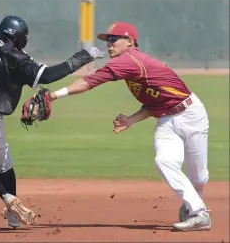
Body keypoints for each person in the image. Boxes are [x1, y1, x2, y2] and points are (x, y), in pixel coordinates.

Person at [0, 10, 104, 228]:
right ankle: (13, 216)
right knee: (3, 166)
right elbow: (48, 76)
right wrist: (83, 57)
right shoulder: (19, 58)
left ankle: (7, 198)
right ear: (19, 37)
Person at [42, 22, 211, 231]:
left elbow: (91, 81)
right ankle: (198, 212)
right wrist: (131, 119)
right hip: (166, 120)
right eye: (107, 41)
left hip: (191, 115)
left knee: (200, 178)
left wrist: (54, 95)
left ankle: (193, 203)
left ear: (130, 42)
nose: (109, 44)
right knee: (164, 160)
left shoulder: (129, 60)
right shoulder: (130, 65)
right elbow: (155, 102)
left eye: (114, 39)